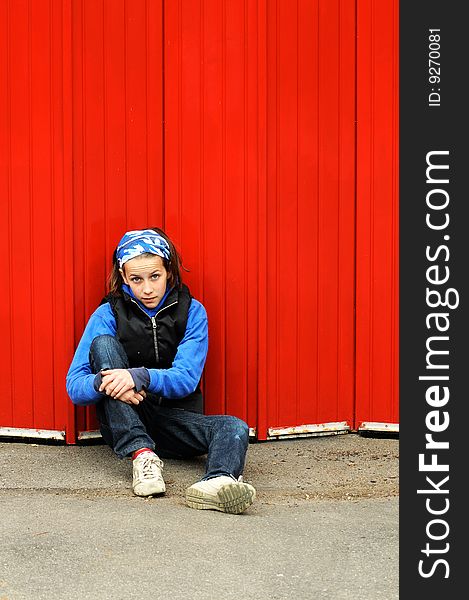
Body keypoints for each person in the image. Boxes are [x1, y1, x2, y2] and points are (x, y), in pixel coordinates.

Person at [66, 228, 256, 514]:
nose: (147, 289)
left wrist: (137, 376)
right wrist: (106, 382)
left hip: (175, 422)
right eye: (136, 279)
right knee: (103, 345)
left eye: (154, 276)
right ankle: (142, 456)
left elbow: (186, 379)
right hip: (125, 418)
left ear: (168, 271)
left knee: (234, 427)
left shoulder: (192, 311)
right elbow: (74, 385)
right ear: (124, 278)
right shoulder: (108, 313)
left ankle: (218, 481)